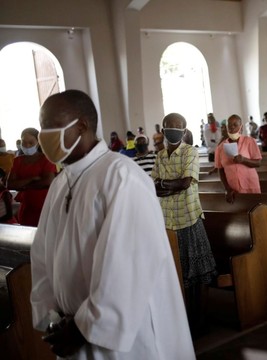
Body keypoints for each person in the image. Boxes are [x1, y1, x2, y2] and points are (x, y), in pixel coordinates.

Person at [30, 90, 195, 359]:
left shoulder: (120, 177)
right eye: (42, 128)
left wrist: (84, 327)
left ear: (82, 126)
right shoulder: (61, 184)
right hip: (70, 330)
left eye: (51, 127)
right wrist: (49, 316)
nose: (43, 136)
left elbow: (129, 265)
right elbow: (42, 257)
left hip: (119, 335)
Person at [152, 112, 217, 336]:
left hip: (189, 217)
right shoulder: (160, 156)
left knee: (198, 272)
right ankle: (182, 320)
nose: (172, 131)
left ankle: (200, 320)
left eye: (177, 128)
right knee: (176, 274)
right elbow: (154, 186)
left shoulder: (190, 152)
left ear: (184, 130)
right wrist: (168, 184)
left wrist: (165, 184)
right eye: (168, 127)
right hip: (167, 221)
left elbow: (185, 182)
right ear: (162, 130)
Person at [7, 127, 56, 226]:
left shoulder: (46, 159)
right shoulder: (18, 161)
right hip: (27, 207)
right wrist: (32, 179)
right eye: (24, 142)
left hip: (45, 207)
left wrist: (22, 185)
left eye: (31, 143)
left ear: (38, 143)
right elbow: (10, 184)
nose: (27, 145)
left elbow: (48, 181)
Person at [215, 114, 262, 203]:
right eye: (229, 125)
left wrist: (244, 160)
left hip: (250, 184)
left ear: (241, 127)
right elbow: (220, 170)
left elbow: (258, 163)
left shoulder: (249, 141)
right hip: (233, 188)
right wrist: (227, 189)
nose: (232, 128)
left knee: (255, 209)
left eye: (235, 125)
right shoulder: (220, 147)